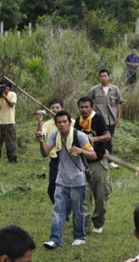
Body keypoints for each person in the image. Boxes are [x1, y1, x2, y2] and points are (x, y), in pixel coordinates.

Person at [35, 110, 97, 249]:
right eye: (59, 122)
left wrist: (81, 151)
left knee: (77, 210)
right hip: (61, 179)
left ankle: (79, 236)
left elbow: (93, 155)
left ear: (70, 123)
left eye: (65, 122)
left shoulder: (79, 136)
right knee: (58, 209)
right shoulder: (54, 135)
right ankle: (55, 239)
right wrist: (41, 142)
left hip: (77, 179)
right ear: (56, 124)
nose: (62, 125)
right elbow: (45, 153)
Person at [74, 96, 112, 235]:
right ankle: (84, 227)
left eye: (86, 107)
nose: (84, 110)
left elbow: (107, 136)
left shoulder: (98, 119)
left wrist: (94, 139)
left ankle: (98, 221)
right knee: (84, 196)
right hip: (83, 163)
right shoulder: (78, 122)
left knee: (101, 196)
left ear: (92, 107)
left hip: (99, 163)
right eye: (81, 107)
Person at [35, 98, 76, 202]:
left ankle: (65, 208)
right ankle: (60, 208)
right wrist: (39, 121)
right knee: (52, 190)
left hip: (70, 159)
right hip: (55, 160)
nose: (55, 109)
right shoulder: (47, 124)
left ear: (62, 108)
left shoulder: (72, 123)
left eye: (57, 107)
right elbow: (41, 134)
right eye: (52, 108)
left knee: (70, 187)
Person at [87, 69, 122, 166]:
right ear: (99, 78)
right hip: (99, 120)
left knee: (109, 140)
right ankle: (98, 157)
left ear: (109, 77)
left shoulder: (115, 89)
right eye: (101, 76)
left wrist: (118, 118)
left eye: (105, 76)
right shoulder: (94, 89)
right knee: (98, 139)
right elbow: (88, 102)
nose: (103, 78)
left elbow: (118, 104)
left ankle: (110, 160)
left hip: (111, 119)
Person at [0, 80, 17, 163]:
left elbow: (11, 105)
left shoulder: (12, 94)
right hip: (0, 122)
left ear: (9, 88)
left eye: (5, 88)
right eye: (2, 88)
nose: (4, 90)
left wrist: (5, 97)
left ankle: (12, 160)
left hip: (9, 122)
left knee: (11, 143)